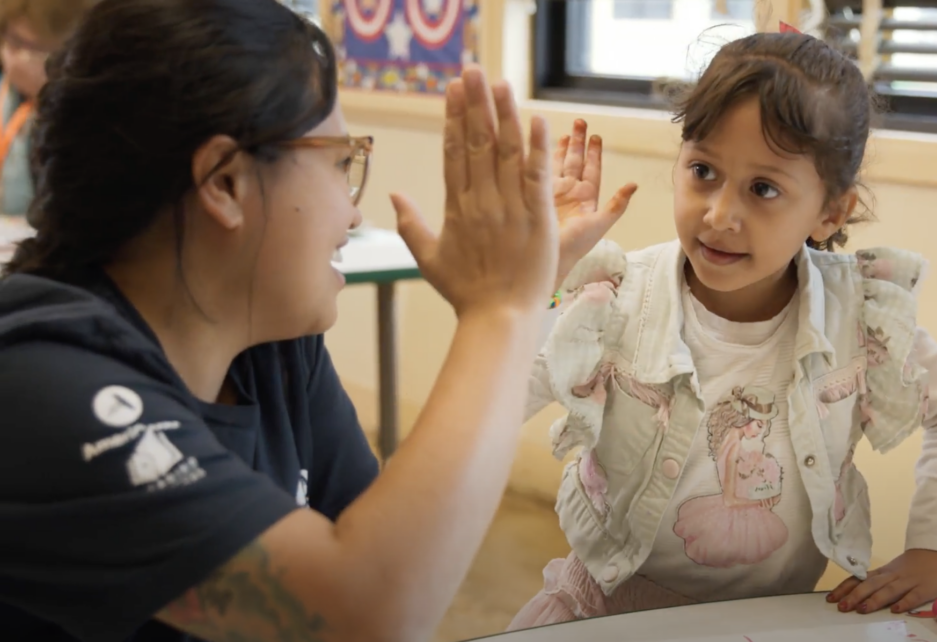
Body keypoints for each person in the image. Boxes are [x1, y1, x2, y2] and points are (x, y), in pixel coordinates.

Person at [0, 0, 637, 640]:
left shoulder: (273, 349)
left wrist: (522, 298)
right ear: (223, 183)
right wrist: (500, 308)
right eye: (339, 162)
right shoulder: (39, 380)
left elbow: (405, 561)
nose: (351, 214)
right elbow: (361, 614)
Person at [508, 30, 937, 630]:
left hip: (772, 621)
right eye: (703, 171)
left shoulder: (858, 315)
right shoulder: (617, 296)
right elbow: (495, 400)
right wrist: (539, 278)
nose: (719, 215)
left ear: (829, 212)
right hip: (604, 611)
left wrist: (936, 546)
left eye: (763, 188)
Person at [0, 0, 99, 219]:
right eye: (10, 41)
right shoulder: (7, 93)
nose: (12, 57)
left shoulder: (89, 119)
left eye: (26, 46)